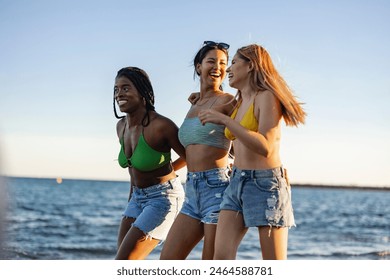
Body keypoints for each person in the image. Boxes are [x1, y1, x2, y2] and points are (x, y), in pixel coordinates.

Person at [198, 44, 306, 260]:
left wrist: (225, 120)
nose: (228, 68)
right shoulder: (238, 101)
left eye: (234, 62)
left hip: (265, 184)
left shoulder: (266, 97)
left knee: (272, 263)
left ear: (251, 66)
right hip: (236, 182)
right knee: (221, 259)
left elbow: (265, 145)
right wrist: (198, 97)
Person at [160, 41, 236, 260]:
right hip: (191, 191)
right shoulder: (194, 103)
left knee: (210, 265)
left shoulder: (229, 102)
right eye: (211, 61)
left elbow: (243, 136)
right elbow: (191, 149)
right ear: (198, 66)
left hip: (218, 190)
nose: (218, 67)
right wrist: (167, 173)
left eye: (223, 63)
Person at [113, 66, 186, 260]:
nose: (119, 93)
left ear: (142, 92)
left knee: (124, 261)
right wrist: (131, 200)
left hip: (163, 198)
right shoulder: (121, 126)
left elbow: (190, 156)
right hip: (137, 197)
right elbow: (132, 170)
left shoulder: (161, 126)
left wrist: (166, 172)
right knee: (122, 261)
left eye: (126, 88)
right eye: (116, 89)